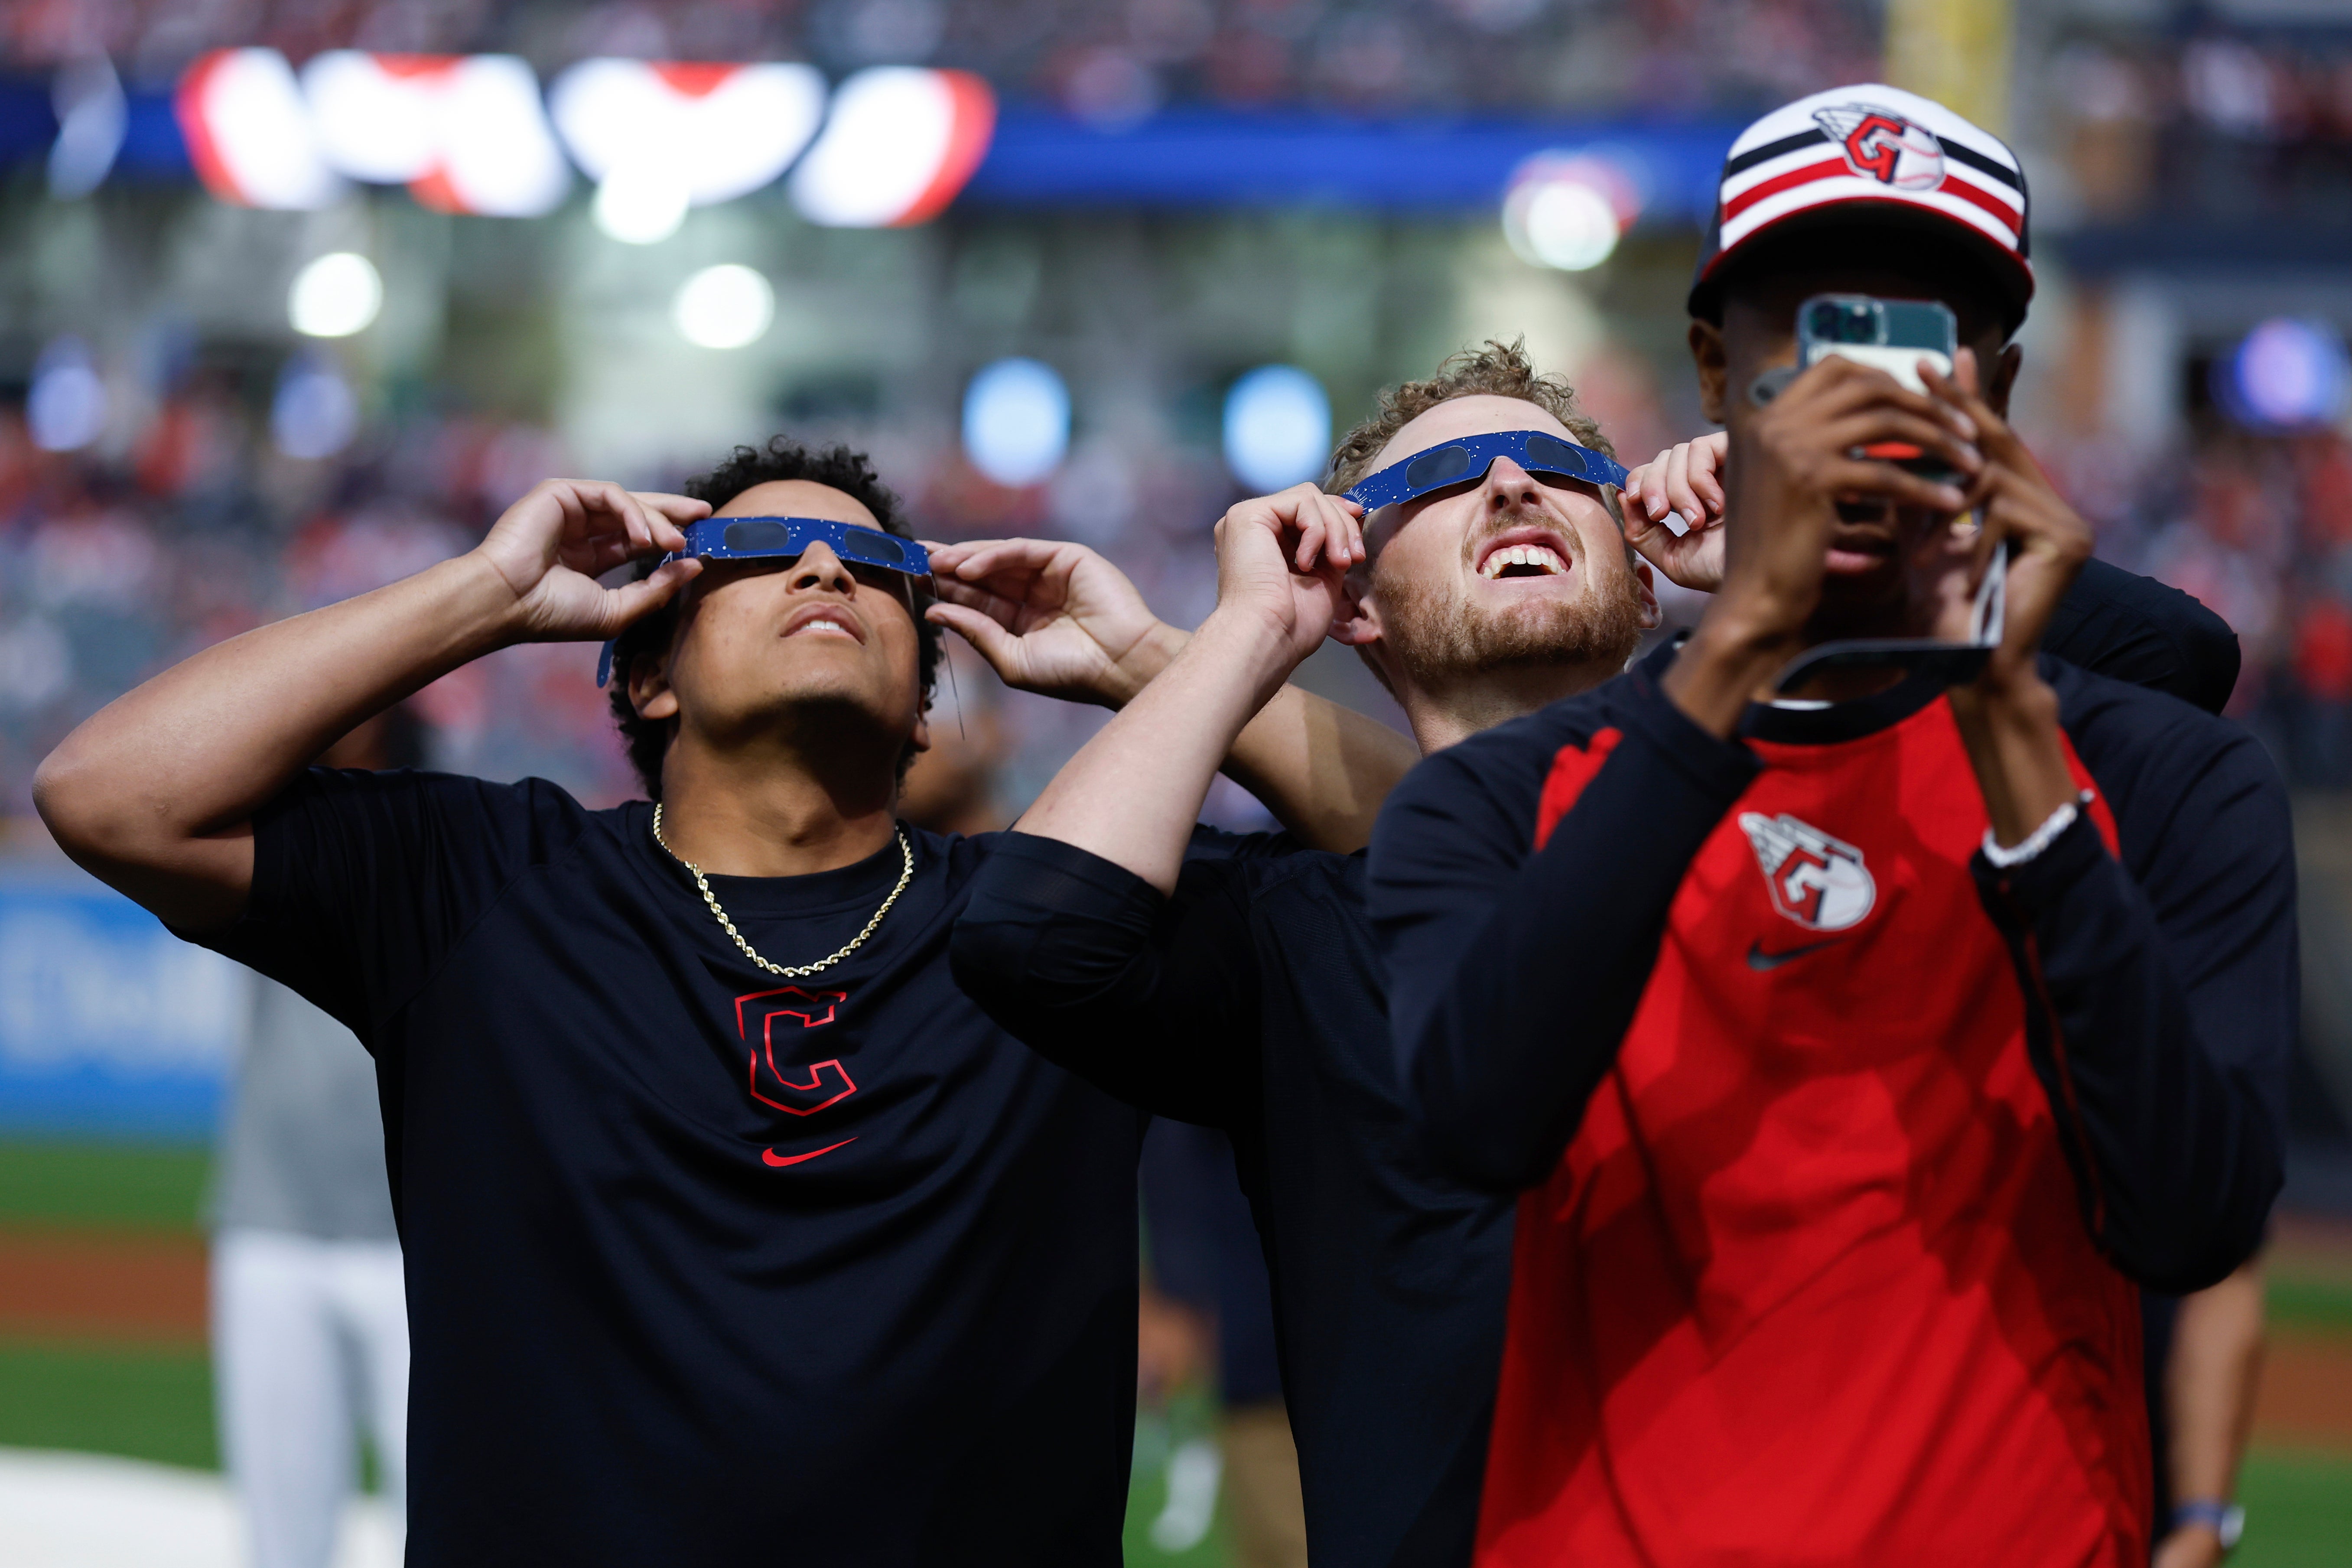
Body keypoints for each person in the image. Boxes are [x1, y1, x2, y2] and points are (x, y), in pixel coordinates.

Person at [948, 304, 2253, 1568]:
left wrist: (1804, 539)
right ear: (1353, 596)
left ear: (1641, 578)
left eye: (1568, 471)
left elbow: (2175, 662)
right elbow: (1037, 940)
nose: (1511, 483)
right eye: (1451, 477)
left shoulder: (1809, 824)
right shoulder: (1297, 932)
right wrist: (1233, 637)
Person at [33, 437, 1412, 1566]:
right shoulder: (485, 884)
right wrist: (483, 593)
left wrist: (1151, 660)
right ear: (648, 667)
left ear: (925, 702)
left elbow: (1456, 863)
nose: (826, 565)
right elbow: (111, 793)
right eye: (757, 553)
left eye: (878, 566)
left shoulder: (1060, 921)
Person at [1367, 83, 2293, 1565]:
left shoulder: (2164, 777)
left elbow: (2188, 1217)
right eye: (1815, 333)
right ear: (1711, 369)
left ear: (1991, 381)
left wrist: (2001, 723)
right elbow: (1472, 1125)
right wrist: (1734, 646)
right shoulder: (1495, 795)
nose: (1866, 395)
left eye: (1913, 339)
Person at [210, 707, 419, 1568]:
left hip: (416, 1234)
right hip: (272, 1221)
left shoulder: (447, 841)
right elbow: (185, 782)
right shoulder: (259, 837)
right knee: (281, 1539)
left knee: (449, 1519)